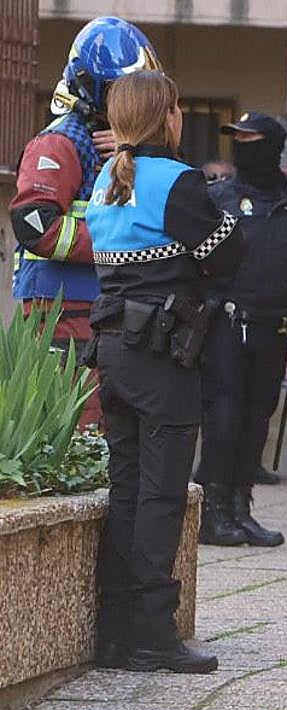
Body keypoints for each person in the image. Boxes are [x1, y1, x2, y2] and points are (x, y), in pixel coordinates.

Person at [85, 70, 245, 673]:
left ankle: (113, 634)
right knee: (161, 495)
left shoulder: (107, 179)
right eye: (176, 108)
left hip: (113, 353)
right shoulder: (177, 181)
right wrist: (227, 208)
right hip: (162, 355)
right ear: (168, 116)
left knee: (125, 490)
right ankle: (154, 635)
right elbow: (225, 254)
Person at [10, 16, 160, 429]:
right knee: (78, 424)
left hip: (106, 308)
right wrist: (117, 245)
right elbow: (34, 225)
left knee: (113, 423)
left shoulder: (127, 148)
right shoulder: (61, 143)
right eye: (124, 92)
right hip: (62, 310)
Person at [194, 112, 287, 547]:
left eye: (249, 139)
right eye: (237, 139)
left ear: (272, 146)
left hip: (275, 330)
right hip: (224, 326)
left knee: (256, 421)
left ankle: (240, 507)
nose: (241, 146)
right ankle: (212, 511)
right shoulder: (216, 198)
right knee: (224, 418)